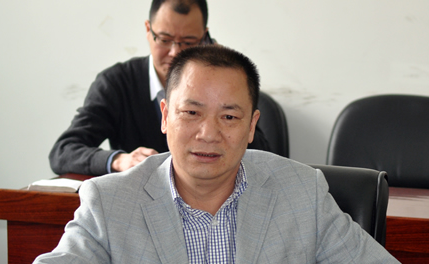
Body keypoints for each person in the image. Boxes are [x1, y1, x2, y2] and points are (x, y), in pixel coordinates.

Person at [0, 46, 423, 264]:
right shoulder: (113, 200)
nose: (208, 133)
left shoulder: (299, 192)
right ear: (165, 115)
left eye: (229, 116)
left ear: (252, 126)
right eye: (191, 113)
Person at [48, 0, 270, 177]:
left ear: (205, 38)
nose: (175, 52)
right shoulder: (117, 83)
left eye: (188, 42)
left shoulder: (230, 86)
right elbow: (64, 151)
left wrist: (224, 75)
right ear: (148, 30)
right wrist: (118, 160)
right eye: (164, 39)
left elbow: (265, 157)